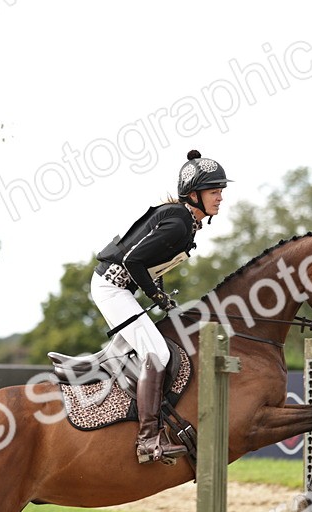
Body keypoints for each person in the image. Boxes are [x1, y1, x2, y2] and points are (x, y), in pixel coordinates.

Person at [91, 149, 231, 463]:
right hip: (111, 288)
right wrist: (156, 297)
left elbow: (153, 264)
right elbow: (132, 260)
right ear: (194, 195)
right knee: (158, 353)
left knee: (160, 346)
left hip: (122, 288)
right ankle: (147, 441)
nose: (220, 197)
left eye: (221, 191)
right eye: (214, 192)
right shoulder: (181, 223)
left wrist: (162, 296)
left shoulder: (186, 221)